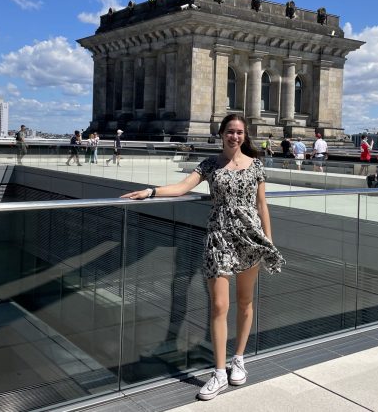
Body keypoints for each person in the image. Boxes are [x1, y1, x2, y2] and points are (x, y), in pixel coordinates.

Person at [122, 114, 284, 400]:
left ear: (244, 136)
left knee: (245, 301)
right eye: (230, 132)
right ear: (221, 134)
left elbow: (262, 205)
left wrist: (268, 241)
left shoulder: (256, 165)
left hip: (250, 238)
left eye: (239, 132)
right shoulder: (210, 164)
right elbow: (183, 187)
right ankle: (220, 372)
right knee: (219, 305)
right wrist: (151, 191)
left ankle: (239, 359)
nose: (234, 136)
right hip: (219, 237)